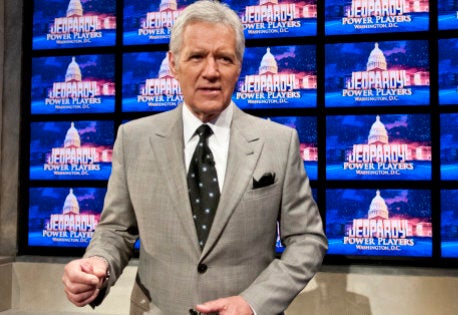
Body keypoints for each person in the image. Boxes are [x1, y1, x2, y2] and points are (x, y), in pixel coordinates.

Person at [61, 1, 328, 314]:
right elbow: (116, 231)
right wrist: (98, 265)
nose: (211, 71)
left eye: (224, 58)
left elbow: (308, 240)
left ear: (239, 65)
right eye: (197, 56)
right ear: (173, 64)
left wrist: (253, 303)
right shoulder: (133, 139)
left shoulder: (279, 142)